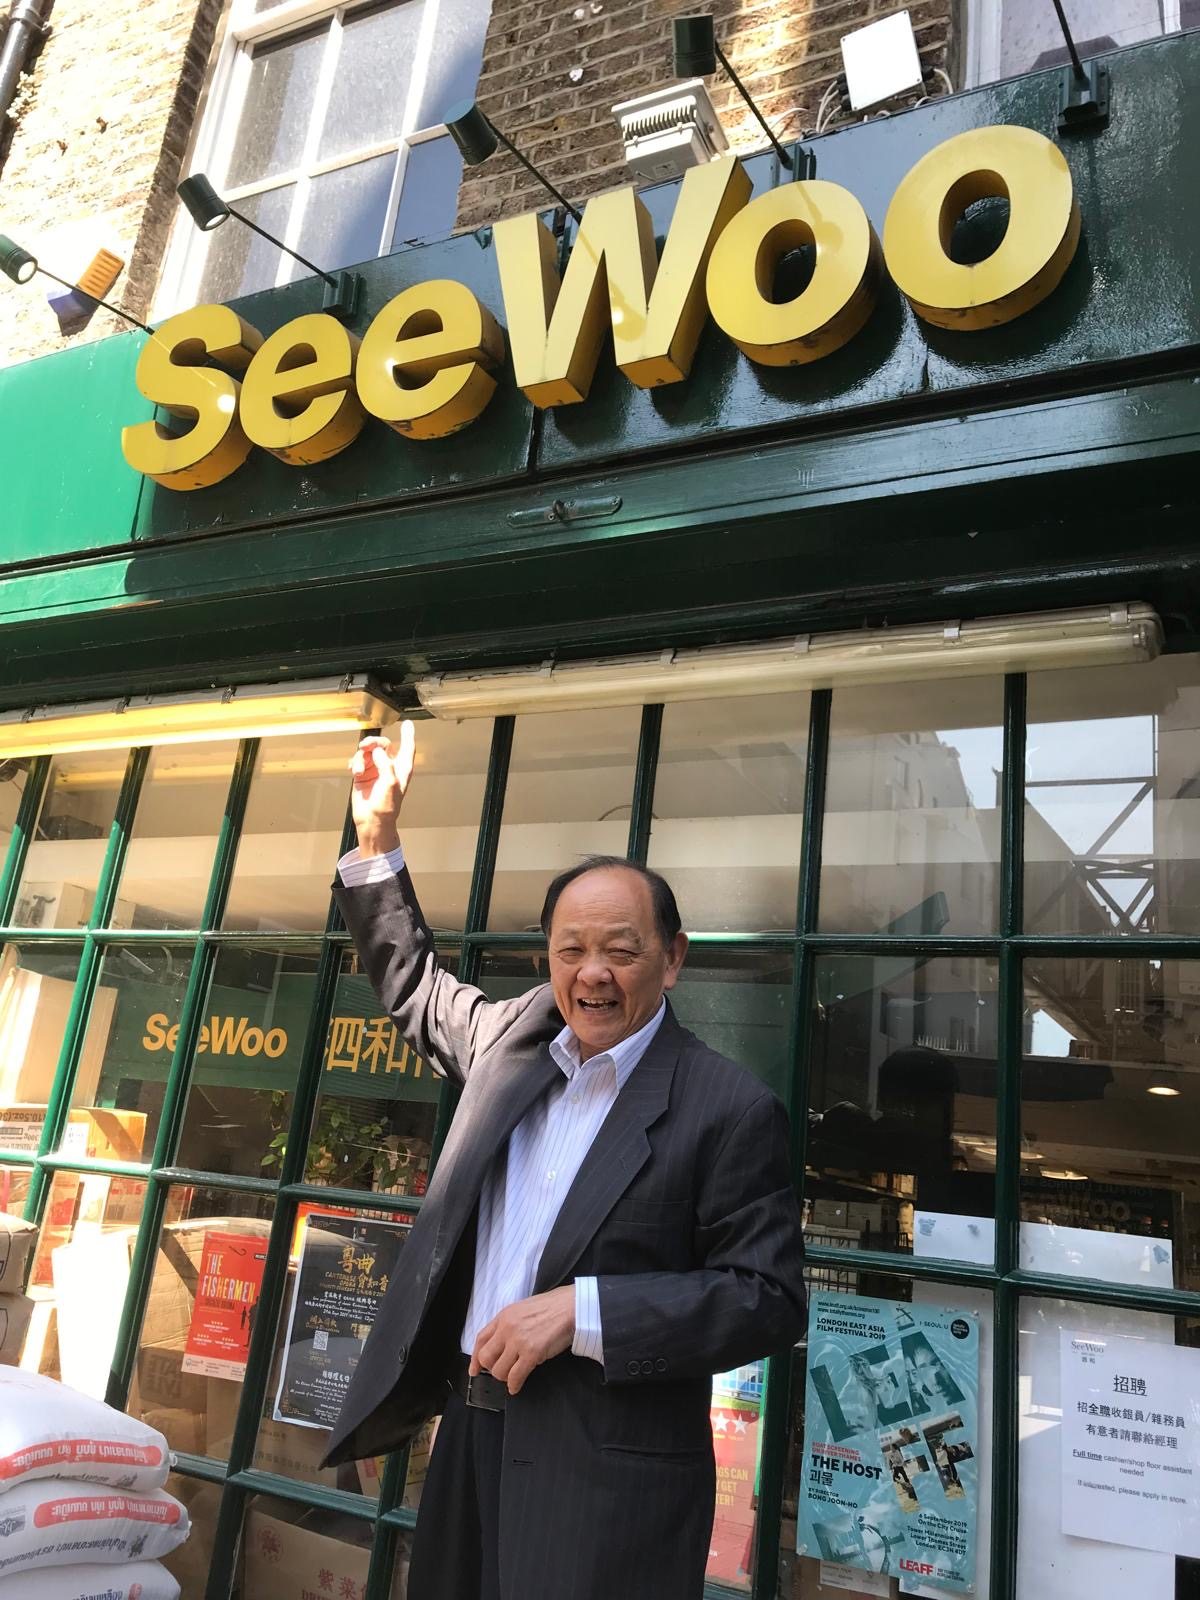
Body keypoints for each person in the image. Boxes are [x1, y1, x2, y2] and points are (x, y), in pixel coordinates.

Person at [322, 725, 807, 1600]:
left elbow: (765, 1300)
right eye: (569, 951)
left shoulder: (729, 1109)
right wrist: (376, 840)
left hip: (606, 1480)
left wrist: (582, 1314)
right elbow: (416, 987)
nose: (592, 975)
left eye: (621, 950)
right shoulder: (513, 1040)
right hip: (469, 1434)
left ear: (674, 958)